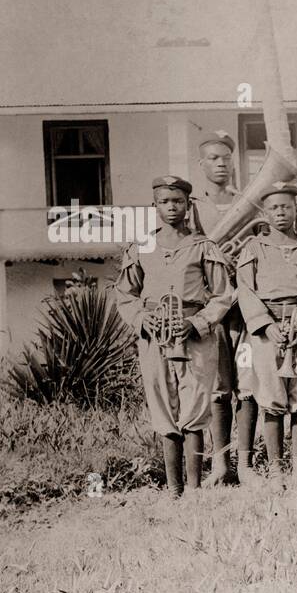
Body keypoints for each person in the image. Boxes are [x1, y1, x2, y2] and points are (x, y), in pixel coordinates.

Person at [114, 176, 235, 496]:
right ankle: (173, 490)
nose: (172, 207)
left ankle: (193, 490)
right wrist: (142, 319)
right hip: (155, 337)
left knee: (195, 406)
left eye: (178, 201)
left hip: (193, 335)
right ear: (155, 205)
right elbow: (125, 295)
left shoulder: (203, 246)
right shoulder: (143, 246)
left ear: (188, 205)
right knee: (163, 407)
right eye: (165, 201)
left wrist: (198, 322)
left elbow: (223, 295)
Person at [235, 182, 297, 483]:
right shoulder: (254, 248)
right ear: (265, 212)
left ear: (296, 209)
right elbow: (246, 290)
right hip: (268, 332)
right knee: (271, 398)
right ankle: (276, 469)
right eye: (274, 207)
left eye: (287, 207)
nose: (281, 212)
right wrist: (265, 324)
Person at [192, 130, 251, 485]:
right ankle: (219, 465)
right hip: (214, 309)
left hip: (245, 309)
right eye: (213, 158)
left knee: (248, 384)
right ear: (202, 165)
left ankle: (245, 464)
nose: (221, 164)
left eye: (226, 158)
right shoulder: (194, 207)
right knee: (218, 387)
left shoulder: (247, 199)